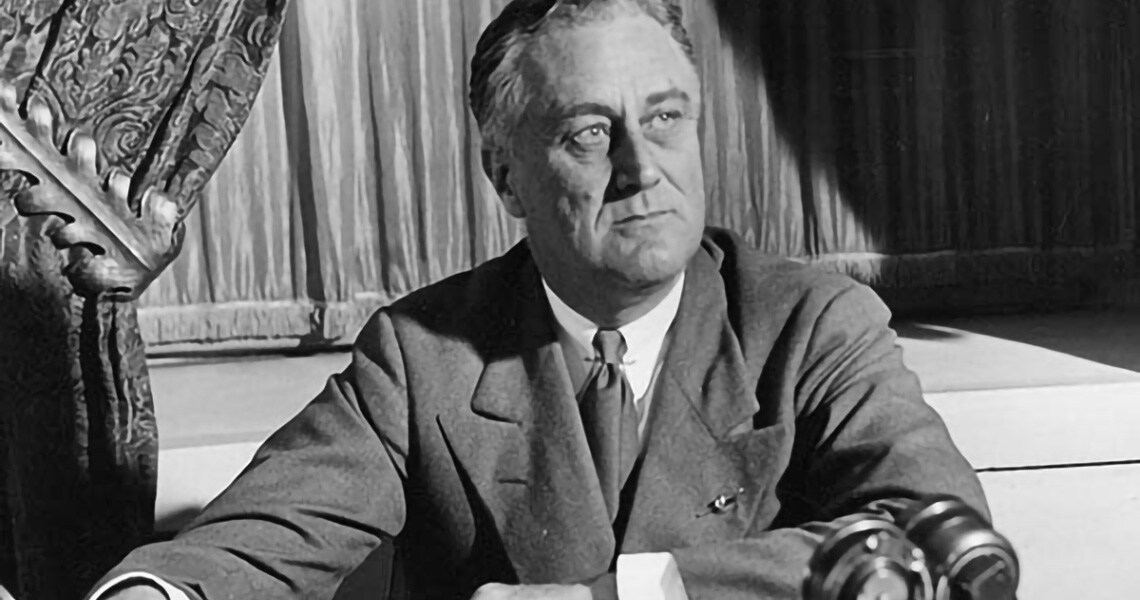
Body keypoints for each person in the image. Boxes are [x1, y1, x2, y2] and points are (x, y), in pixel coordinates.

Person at [88, 0, 986, 598]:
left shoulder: (812, 325)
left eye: (667, 118)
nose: (643, 169)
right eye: (591, 133)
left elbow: (937, 541)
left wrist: (632, 594)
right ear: (505, 175)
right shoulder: (421, 356)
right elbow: (254, 541)